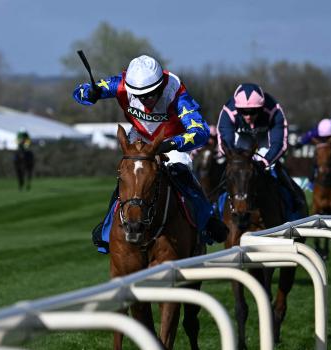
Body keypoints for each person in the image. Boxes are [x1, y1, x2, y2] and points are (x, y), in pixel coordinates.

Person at [72, 55, 228, 252]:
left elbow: (201, 132)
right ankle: (107, 230)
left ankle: (207, 222)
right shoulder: (119, 84)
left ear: (161, 85)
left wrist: (173, 143)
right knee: (129, 178)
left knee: (182, 174)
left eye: (152, 93)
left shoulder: (176, 93)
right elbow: (79, 91)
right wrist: (89, 93)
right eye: (140, 96)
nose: (147, 100)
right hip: (141, 138)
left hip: (171, 141)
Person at [216, 83, 305, 212]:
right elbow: (224, 142)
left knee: (274, 167)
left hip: (265, 138)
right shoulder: (228, 111)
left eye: (253, 112)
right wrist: (235, 159)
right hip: (242, 138)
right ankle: (217, 207)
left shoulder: (274, 110)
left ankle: (295, 197)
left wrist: (264, 163)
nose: (248, 116)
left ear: (262, 108)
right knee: (233, 170)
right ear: (236, 108)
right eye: (243, 112)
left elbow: (279, 144)